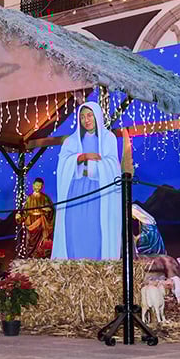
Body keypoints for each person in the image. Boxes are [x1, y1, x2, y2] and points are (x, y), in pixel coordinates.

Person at [52, 102, 122, 260]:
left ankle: (96, 266)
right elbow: (63, 162)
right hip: (75, 191)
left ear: (97, 116)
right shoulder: (71, 141)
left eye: (89, 115)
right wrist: (83, 157)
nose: (86, 120)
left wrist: (96, 166)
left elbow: (112, 164)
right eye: (82, 116)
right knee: (74, 228)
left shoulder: (107, 138)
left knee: (95, 229)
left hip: (98, 191)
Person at [17, 177, 54, 258]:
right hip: (31, 224)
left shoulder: (45, 197)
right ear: (33, 185)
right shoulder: (29, 198)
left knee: (41, 244)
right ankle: (30, 257)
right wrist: (19, 217)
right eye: (36, 185)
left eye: (40, 186)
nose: (38, 187)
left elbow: (51, 210)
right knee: (30, 243)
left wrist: (47, 210)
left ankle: (39, 257)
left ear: (42, 186)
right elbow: (25, 212)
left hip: (41, 224)